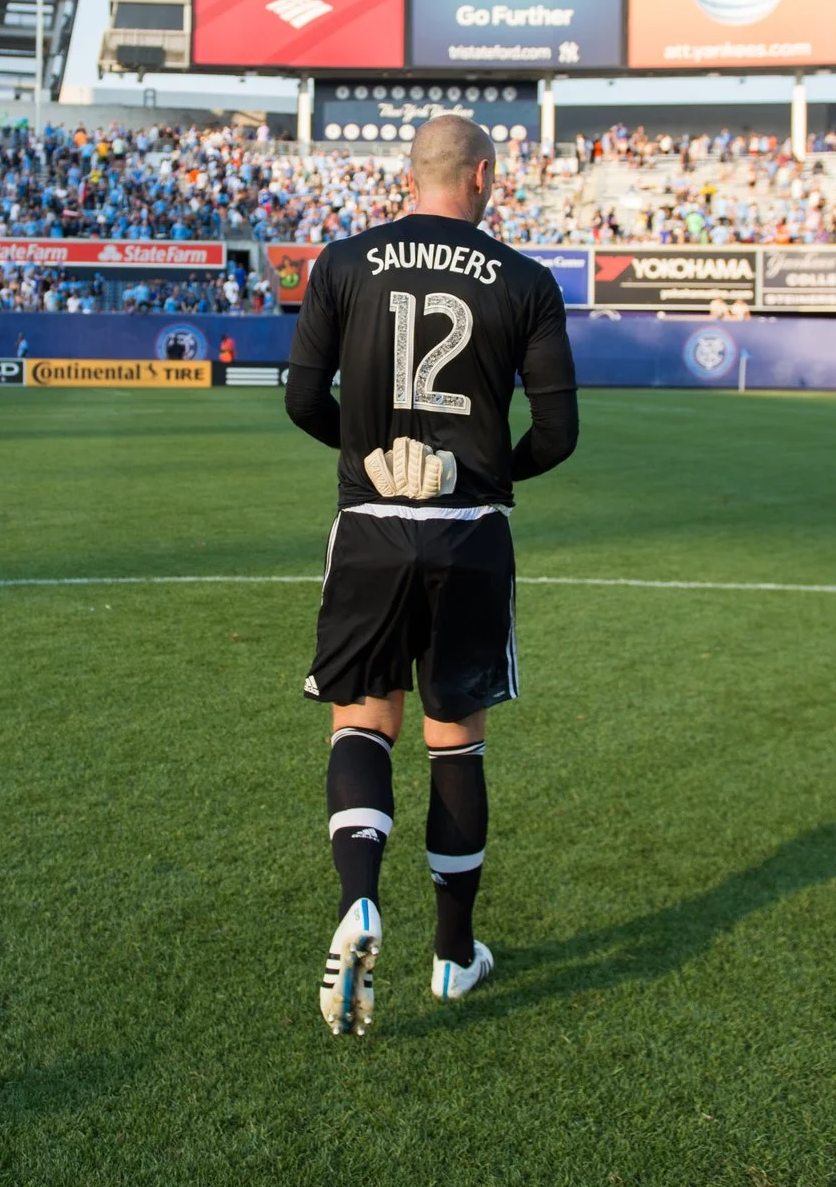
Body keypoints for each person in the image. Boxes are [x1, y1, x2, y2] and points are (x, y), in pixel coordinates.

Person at [282, 114, 579, 1037]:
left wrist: (368, 455)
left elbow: (299, 399)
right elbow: (559, 436)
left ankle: (361, 899)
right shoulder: (527, 282)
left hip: (370, 525)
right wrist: (479, 473)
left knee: (362, 721)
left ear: (410, 176)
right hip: (469, 532)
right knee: (456, 738)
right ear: (483, 176)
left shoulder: (341, 261)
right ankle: (453, 957)